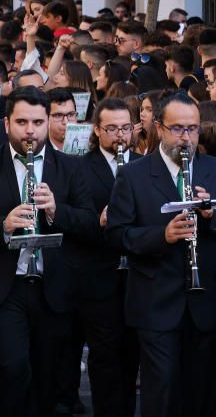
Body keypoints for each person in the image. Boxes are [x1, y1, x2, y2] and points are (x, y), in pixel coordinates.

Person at [0, 87, 97, 417]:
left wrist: (55, 211)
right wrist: (2, 225)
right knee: (11, 368)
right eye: (22, 122)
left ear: (48, 122)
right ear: (6, 124)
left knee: (48, 376)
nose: (30, 130)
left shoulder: (71, 167)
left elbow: (91, 222)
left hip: (53, 288)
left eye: (37, 122)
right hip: (4, 288)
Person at [106, 92, 216, 417]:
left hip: (206, 302)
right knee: (162, 390)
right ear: (159, 128)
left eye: (193, 129)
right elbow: (116, 234)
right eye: (178, 128)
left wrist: (211, 216)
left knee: (203, 393)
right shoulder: (134, 174)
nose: (186, 137)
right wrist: (162, 236)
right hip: (156, 302)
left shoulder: (213, 168)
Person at [74, 98, 141, 417]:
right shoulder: (81, 168)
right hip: (98, 277)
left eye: (126, 128)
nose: (120, 136)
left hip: (140, 277)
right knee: (105, 359)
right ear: (97, 130)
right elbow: (71, 219)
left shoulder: (145, 164)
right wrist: (97, 221)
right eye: (112, 128)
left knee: (133, 356)